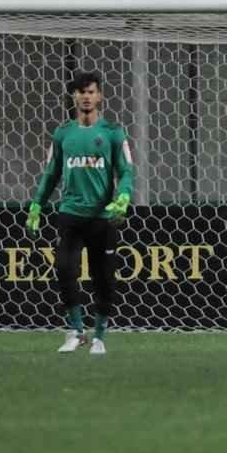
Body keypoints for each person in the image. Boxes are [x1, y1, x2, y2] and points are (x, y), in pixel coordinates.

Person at [27, 69, 134, 355]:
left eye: (91, 91)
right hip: (70, 213)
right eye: (81, 92)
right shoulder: (63, 133)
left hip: (103, 217)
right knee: (64, 269)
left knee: (104, 279)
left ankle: (99, 336)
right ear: (73, 96)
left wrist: (123, 196)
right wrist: (38, 202)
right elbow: (52, 173)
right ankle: (76, 331)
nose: (86, 97)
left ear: (99, 96)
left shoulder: (113, 132)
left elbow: (125, 172)